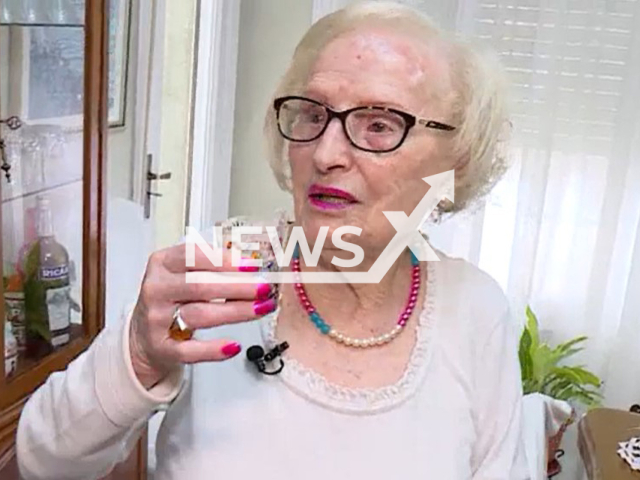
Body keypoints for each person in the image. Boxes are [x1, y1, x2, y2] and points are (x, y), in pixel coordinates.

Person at [16, 2, 527, 479]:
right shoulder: (218, 272)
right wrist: (141, 355)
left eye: (379, 125)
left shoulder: (475, 312)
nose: (326, 152)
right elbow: (43, 460)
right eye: (313, 114)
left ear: (454, 163)